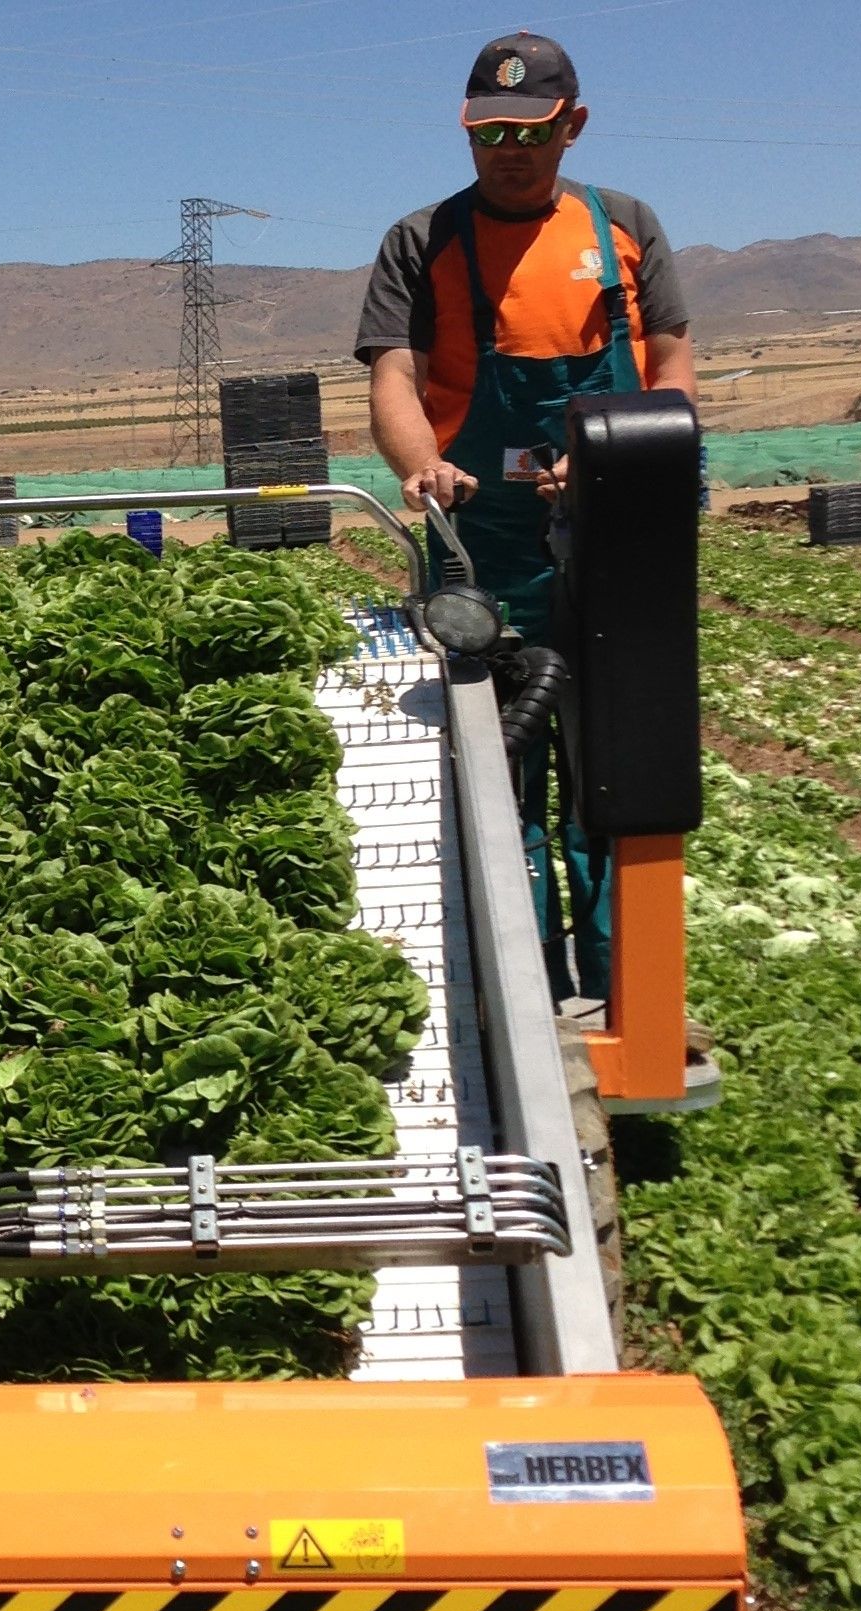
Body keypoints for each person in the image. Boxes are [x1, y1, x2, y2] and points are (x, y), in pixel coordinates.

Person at [355, 29, 697, 998]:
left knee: (621, 760)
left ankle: (623, 990)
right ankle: (519, 991)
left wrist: (621, 463)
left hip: (613, 544)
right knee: (497, 766)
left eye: (529, 130)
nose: (507, 149)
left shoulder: (623, 225)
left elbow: (672, 371)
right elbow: (394, 379)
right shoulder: (420, 240)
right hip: (481, 545)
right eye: (488, 132)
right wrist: (422, 465)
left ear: (571, 126)